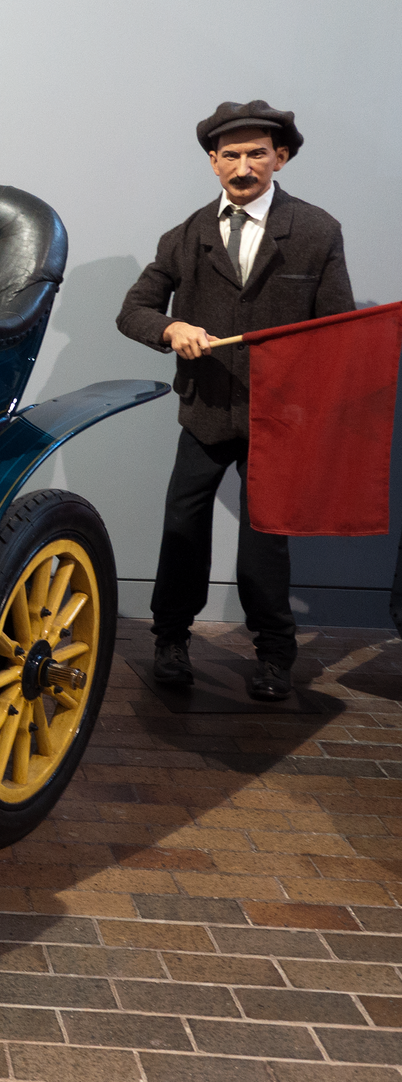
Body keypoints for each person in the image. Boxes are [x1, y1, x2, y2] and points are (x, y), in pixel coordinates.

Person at [117, 100, 354, 701]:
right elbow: (134, 310)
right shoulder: (185, 235)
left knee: (264, 542)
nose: (243, 167)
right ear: (212, 161)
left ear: (281, 157)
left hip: (279, 418)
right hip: (204, 413)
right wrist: (171, 328)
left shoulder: (317, 230)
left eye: (256, 154)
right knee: (182, 530)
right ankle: (171, 641)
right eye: (230, 155)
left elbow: (337, 332)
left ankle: (274, 655)